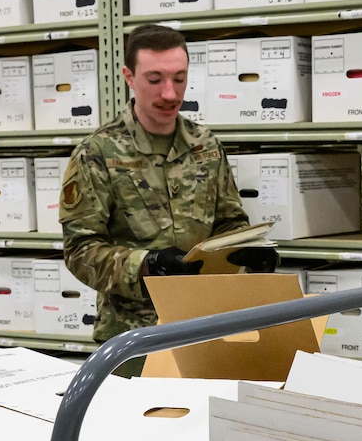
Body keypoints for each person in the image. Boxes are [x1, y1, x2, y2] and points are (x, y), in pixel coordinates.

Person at [60, 23, 278, 349]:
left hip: (206, 323)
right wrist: (148, 265)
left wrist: (249, 253)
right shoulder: (98, 152)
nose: (170, 94)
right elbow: (80, 251)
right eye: (155, 80)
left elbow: (230, 221)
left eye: (179, 78)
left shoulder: (206, 144)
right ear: (129, 77)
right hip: (132, 336)